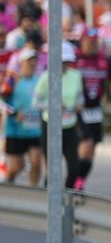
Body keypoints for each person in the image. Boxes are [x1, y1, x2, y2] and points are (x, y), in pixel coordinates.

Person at [35, 42, 84, 187]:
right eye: (62, 62)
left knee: (74, 169)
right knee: (52, 169)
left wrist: (79, 104)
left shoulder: (76, 75)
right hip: (50, 125)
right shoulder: (46, 77)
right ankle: (48, 200)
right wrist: (54, 106)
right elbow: (36, 102)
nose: (65, 65)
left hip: (69, 125)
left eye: (67, 62)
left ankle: (66, 197)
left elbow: (80, 96)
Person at [72, 29, 111, 188]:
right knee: (86, 142)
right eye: (89, 41)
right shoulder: (74, 58)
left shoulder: (104, 60)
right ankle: (74, 179)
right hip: (77, 108)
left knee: (92, 147)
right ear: (82, 41)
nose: (92, 45)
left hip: (95, 109)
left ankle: (80, 179)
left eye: (95, 42)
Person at [1, 46, 44, 184]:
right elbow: (1, 102)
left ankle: (33, 195)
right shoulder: (13, 80)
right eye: (28, 61)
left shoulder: (39, 80)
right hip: (16, 131)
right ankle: (7, 184)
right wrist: (14, 113)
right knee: (17, 167)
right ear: (21, 63)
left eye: (34, 61)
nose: (32, 63)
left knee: (36, 163)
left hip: (35, 131)